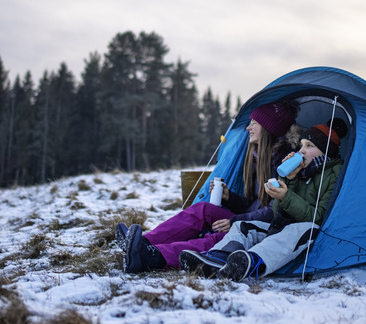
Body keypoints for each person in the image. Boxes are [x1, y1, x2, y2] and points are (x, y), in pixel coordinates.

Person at [118, 101, 302, 273]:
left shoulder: (285, 164)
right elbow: (254, 203)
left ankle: (152, 257)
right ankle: (142, 242)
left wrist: (235, 221)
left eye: (254, 123)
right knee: (203, 209)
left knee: (220, 238)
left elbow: (274, 211)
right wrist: (229, 198)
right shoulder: (257, 157)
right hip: (247, 219)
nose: (248, 127)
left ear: (268, 128)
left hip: (265, 229)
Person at [179, 118, 348, 282]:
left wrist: (286, 196)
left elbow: (318, 217)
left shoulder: (334, 175)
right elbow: (278, 214)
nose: (301, 150)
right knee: (241, 226)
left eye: (309, 146)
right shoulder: (302, 172)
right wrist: (290, 180)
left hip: (308, 235)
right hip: (283, 228)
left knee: (305, 228)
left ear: (326, 151)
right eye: (301, 145)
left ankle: (252, 262)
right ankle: (217, 258)